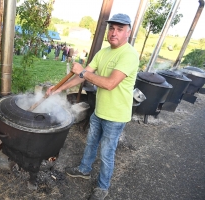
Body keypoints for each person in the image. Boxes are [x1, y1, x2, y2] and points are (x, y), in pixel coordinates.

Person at [46, 13, 139, 200]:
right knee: (90, 143)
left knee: (106, 153)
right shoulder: (103, 52)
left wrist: (83, 73)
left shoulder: (129, 55)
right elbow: (82, 75)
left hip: (116, 115)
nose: (114, 32)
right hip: (99, 111)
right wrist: (58, 89)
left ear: (128, 32)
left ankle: (103, 187)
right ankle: (84, 169)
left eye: (119, 29)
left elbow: (110, 83)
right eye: (111, 28)